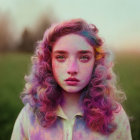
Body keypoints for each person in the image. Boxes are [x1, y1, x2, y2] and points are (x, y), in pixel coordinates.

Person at [11, 18, 132, 140]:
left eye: (84, 58)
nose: (72, 69)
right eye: (61, 57)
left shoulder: (115, 117)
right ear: (48, 62)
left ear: (96, 63)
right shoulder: (30, 115)